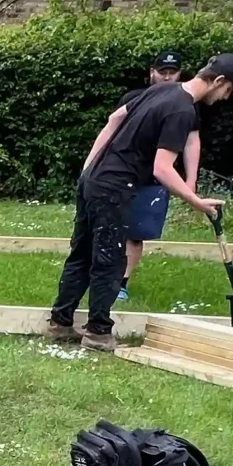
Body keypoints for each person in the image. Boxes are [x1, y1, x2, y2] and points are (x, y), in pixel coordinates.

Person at [48, 53, 233, 352]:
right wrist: (196, 201)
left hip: (95, 179)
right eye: (228, 90)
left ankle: (60, 322)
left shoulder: (161, 90)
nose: (224, 98)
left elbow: (115, 119)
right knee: (111, 260)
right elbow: (162, 169)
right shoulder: (182, 110)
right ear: (218, 81)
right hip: (115, 186)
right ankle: (98, 332)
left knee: (83, 252)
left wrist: (88, 170)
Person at [73, 51, 196, 300]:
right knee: (102, 233)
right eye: (163, 72)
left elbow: (192, 141)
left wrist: (190, 182)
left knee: (136, 233)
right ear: (152, 72)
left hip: (151, 180)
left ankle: (121, 283)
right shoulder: (135, 99)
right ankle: (95, 287)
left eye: (173, 72)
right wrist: (90, 167)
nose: (167, 77)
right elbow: (112, 125)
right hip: (119, 177)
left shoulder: (184, 106)